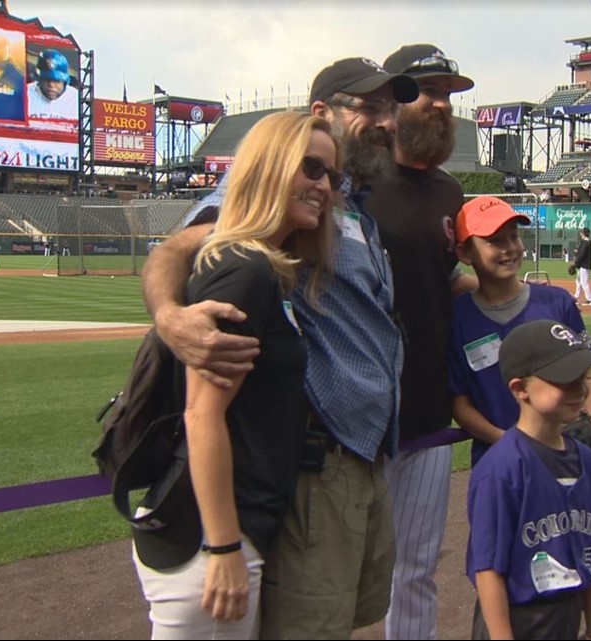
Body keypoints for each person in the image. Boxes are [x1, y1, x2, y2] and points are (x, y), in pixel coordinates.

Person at [141, 57, 419, 639]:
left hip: (365, 460)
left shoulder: (348, 207)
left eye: (391, 110)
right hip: (319, 461)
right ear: (322, 112)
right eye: (370, 108)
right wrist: (170, 316)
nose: (387, 122)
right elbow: (182, 248)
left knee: (348, 616)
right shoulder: (260, 222)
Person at [132, 110, 339, 640]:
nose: (324, 186)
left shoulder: (264, 266)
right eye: (311, 168)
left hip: (228, 529)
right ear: (269, 166)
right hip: (210, 537)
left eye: (331, 176)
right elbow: (202, 416)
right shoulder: (243, 267)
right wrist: (223, 545)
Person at [371, 43, 476, 641]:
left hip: (430, 412)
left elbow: (439, 278)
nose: (441, 104)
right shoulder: (354, 178)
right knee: (333, 571)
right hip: (357, 417)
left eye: (448, 95)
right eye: (429, 91)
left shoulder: (448, 193)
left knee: (415, 571)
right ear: (394, 98)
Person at [467, 319, 591, 640]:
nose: (579, 389)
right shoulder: (501, 469)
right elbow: (488, 571)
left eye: (582, 377)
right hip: (515, 622)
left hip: (567, 617)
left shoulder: (587, 462)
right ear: (520, 389)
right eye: (563, 378)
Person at [448, 196, 591, 470]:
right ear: (464, 254)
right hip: (498, 463)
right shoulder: (458, 318)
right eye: (495, 241)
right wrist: (513, 444)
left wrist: (590, 433)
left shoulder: (557, 302)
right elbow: (459, 403)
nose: (510, 248)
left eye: (514, 237)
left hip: (566, 458)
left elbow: (588, 379)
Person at [26, 49, 78, 123]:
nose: (51, 85)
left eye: (57, 81)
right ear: (39, 79)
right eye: (47, 79)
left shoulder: (76, 99)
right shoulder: (24, 94)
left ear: (65, 81)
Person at [572, 227, 591, 306]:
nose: (580, 234)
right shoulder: (585, 242)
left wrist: (575, 264)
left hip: (585, 265)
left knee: (584, 282)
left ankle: (590, 300)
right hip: (583, 265)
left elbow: (582, 254)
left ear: (584, 233)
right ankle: (576, 297)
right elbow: (579, 253)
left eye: (582, 232)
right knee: (578, 281)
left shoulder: (586, 242)